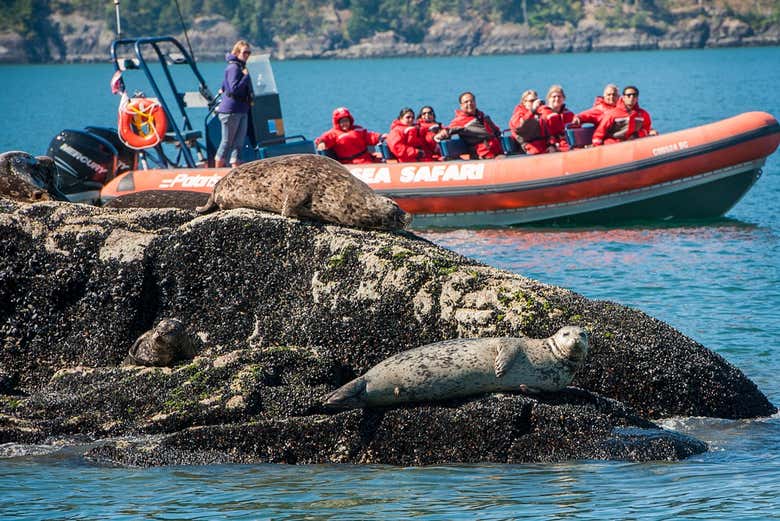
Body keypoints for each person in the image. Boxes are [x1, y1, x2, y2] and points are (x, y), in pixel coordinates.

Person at [215, 40, 254, 168]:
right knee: (227, 142)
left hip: (242, 109)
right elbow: (233, 89)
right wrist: (246, 77)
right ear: (237, 53)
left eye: (249, 52)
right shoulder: (233, 67)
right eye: (245, 52)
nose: (247, 55)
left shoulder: (241, 67)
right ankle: (217, 170)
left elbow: (223, 86)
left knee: (239, 142)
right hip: (230, 111)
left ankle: (235, 167)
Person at [435, 91, 503, 159]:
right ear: (461, 105)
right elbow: (449, 129)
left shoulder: (482, 116)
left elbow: (496, 131)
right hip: (483, 155)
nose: (469, 103)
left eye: (471, 101)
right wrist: (441, 134)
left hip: (496, 150)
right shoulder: (460, 120)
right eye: (466, 102)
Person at [592, 85, 658, 147]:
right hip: (613, 145)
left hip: (633, 145)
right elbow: (600, 132)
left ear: (637, 98)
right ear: (623, 97)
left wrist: (637, 135)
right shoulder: (613, 114)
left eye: (634, 95)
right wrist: (597, 146)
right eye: (629, 95)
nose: (631, 97)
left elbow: (646, 128)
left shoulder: (643, 114)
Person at [315, 107, 383, 164]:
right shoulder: (333, 133)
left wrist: (380, 137)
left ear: (350, 121)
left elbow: (370, 136)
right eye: (342, 121)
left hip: (365, 160)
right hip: (347, 164)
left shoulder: (358, 129)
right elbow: (324, 138)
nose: (345, 123)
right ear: (337, 123)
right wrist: (321, 142)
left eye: (346, 121)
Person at [538, 85, 580, 152]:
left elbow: (577, 130)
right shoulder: (543, 115)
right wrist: (551, 145)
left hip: (569, 145)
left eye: (559, 96)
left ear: (563, 98)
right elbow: (541, 135)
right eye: (554, 97)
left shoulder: (569, 114)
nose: (557, 99)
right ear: (548, 98)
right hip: (553, 147)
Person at [508, 89, 548, 154]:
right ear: (524, 102)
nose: (534, 103)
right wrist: (532, 111)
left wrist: (551, 145)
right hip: (528, 149)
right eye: (531, 101)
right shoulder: (518, 114)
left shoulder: (539, 114)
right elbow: (519, 126)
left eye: (535, 100)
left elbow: (548, 132)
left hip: (544, 147)